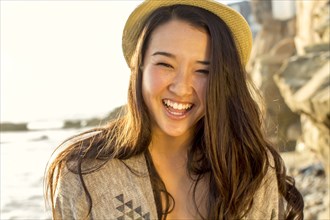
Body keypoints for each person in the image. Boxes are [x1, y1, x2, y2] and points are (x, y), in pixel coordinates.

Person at [45, 0, 304, 219]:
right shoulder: (86, 174)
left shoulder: (253, 171)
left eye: (203, 71)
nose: (181, 88)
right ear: (140, 67)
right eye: (166, 65)